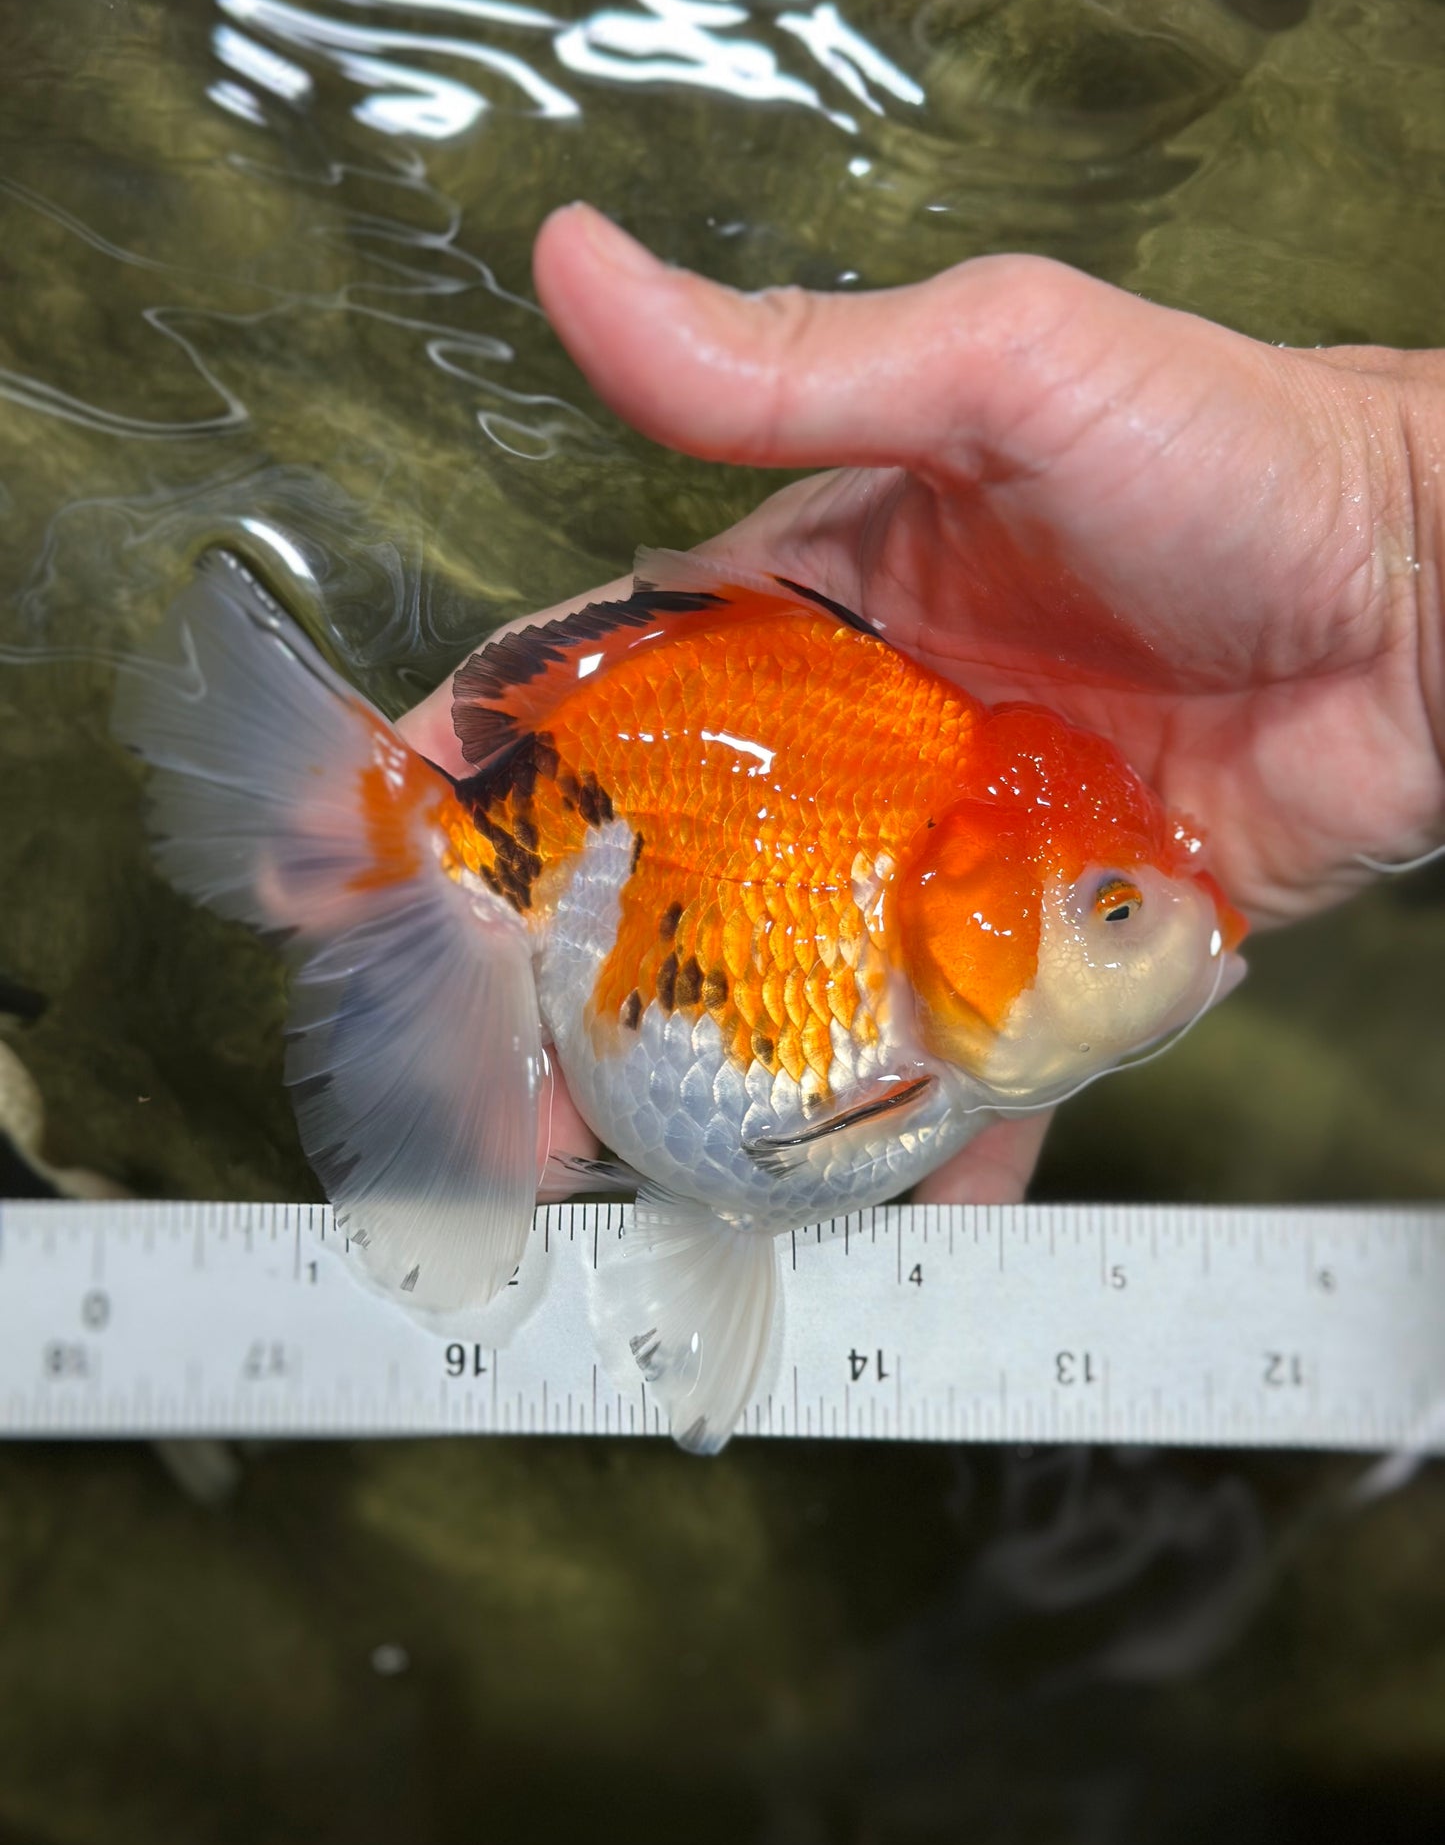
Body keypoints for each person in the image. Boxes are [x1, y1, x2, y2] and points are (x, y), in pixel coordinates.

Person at [400, 203, 1445, 1203]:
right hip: (578, 821)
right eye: (1111, 909)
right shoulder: (910, 823)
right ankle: (408, 851)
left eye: (1118, 907)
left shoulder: (938, 867)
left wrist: (1406, 513)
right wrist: (1396, 518)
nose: (1178, 923)